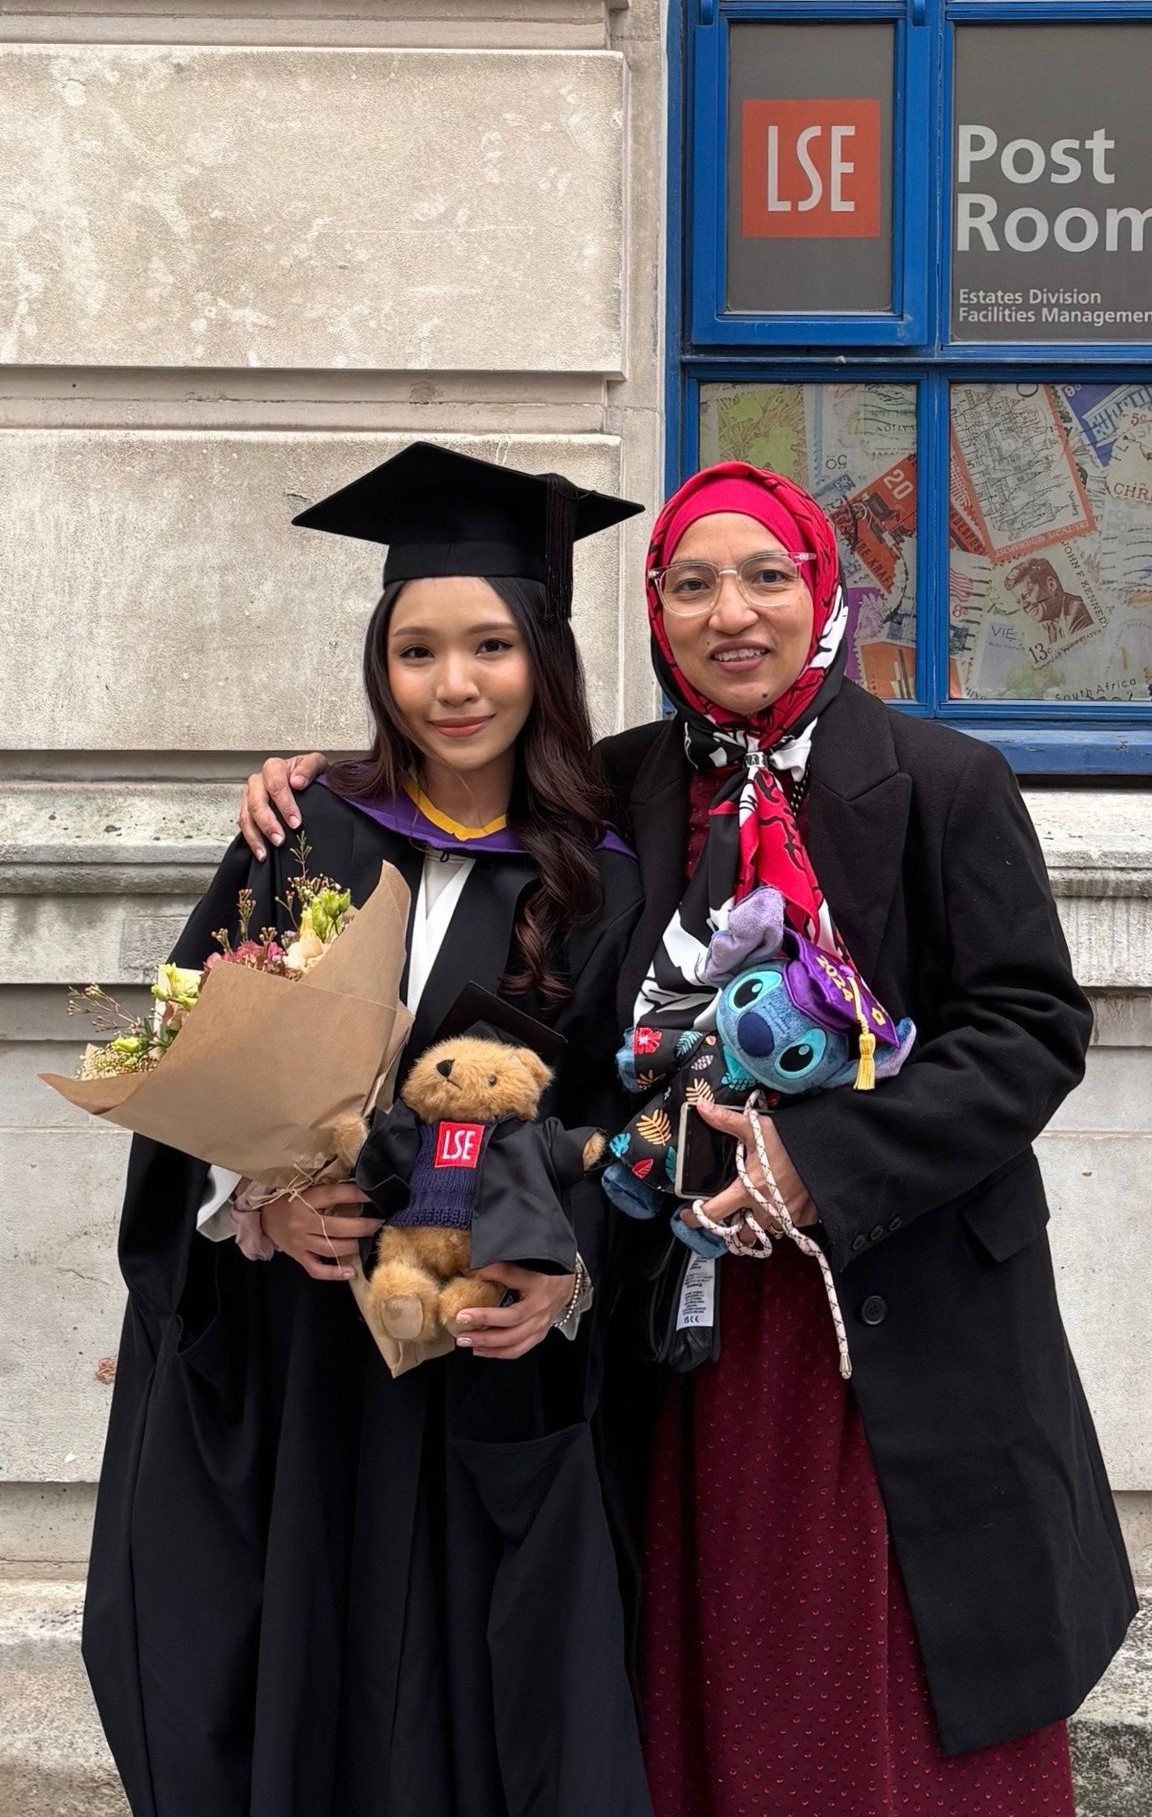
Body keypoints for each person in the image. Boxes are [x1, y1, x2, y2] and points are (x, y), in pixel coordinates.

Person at [242, 458, 1138, 1815]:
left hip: (895, 1325)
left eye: (768, 575)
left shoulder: (946, 783)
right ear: (655, 607)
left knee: (904, 1694)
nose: (735, 611)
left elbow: (1027, 1031)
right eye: (694, 582)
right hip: (682, 1330)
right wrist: (313, 785)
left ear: (825, 588)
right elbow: (539, 1028)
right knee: (704, 1680)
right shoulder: (613, 794)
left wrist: (819, 1164)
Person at [83, 442, 654, 1817]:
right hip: (307, 1356)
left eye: (489, 647)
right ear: (378, 664)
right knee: (303, 1670)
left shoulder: (604, 878)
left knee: (468, 1711)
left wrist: (561, 1271)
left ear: (545, 659)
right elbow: (183, 1069)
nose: (453, 685)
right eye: (415, 651)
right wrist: (258, 1213)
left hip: (476, 1355)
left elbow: (620, 1125)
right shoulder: (305, 833)